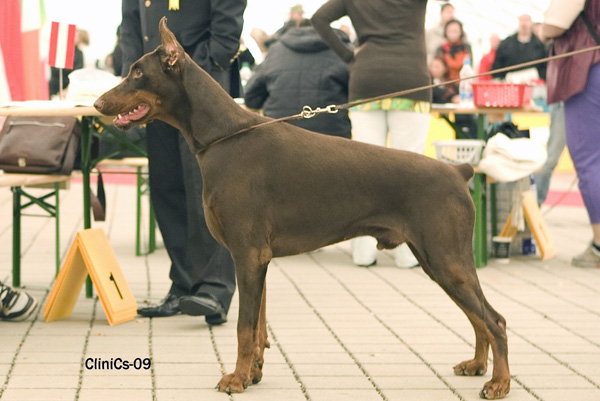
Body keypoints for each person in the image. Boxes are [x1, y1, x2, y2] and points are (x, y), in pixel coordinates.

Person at [120, 0, 246, 324]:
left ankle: (214, 289)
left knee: (207, 189)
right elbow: (131, 22)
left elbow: (228, 11)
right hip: (155, 88)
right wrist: (131, 76)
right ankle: (183, 284)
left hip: (199, 83)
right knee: (167, 185)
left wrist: (212, 59)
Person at [312, 0, 432, 269]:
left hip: (367, 79)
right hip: (410, 80)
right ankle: (407, 254)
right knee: (411, 170)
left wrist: (348, 55)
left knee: (365, 172)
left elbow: (319, 19)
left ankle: (364, 253)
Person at [541, 0, 600, 267]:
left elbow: (555, 24)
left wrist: (542, 30)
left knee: (590, 159)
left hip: (589, 69)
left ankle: (599, 246)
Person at [244, 19, 351, 138]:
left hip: (280, 138)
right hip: (331, 139)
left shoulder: (275, 50)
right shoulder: (342, 50)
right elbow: (359, 94)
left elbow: (251, 98)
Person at [430, 56, 477, 138]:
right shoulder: (430, 84)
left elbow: (459, 94)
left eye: (437, 67)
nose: (433, 69)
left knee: (470, 119)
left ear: (445, 68)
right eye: (432, 66)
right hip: (438, 120)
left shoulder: (451, 84)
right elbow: (437, 93)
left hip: (458, 114)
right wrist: (452, 98)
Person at [492, 14, 547, 80]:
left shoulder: (540, 46)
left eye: (526, 20)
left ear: (531, 23)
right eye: (522, 20)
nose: (524, 24)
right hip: (510, 84)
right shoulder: (505, 44)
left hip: (533, 84)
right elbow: (497, 66)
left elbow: (544, 67)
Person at [48, 29, 86, 99]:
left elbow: (78, 73)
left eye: (76, 36)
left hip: (70, 89)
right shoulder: (58, 51)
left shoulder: (79, 53)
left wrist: (67, 90)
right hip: (55, 88)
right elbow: (54, 70)